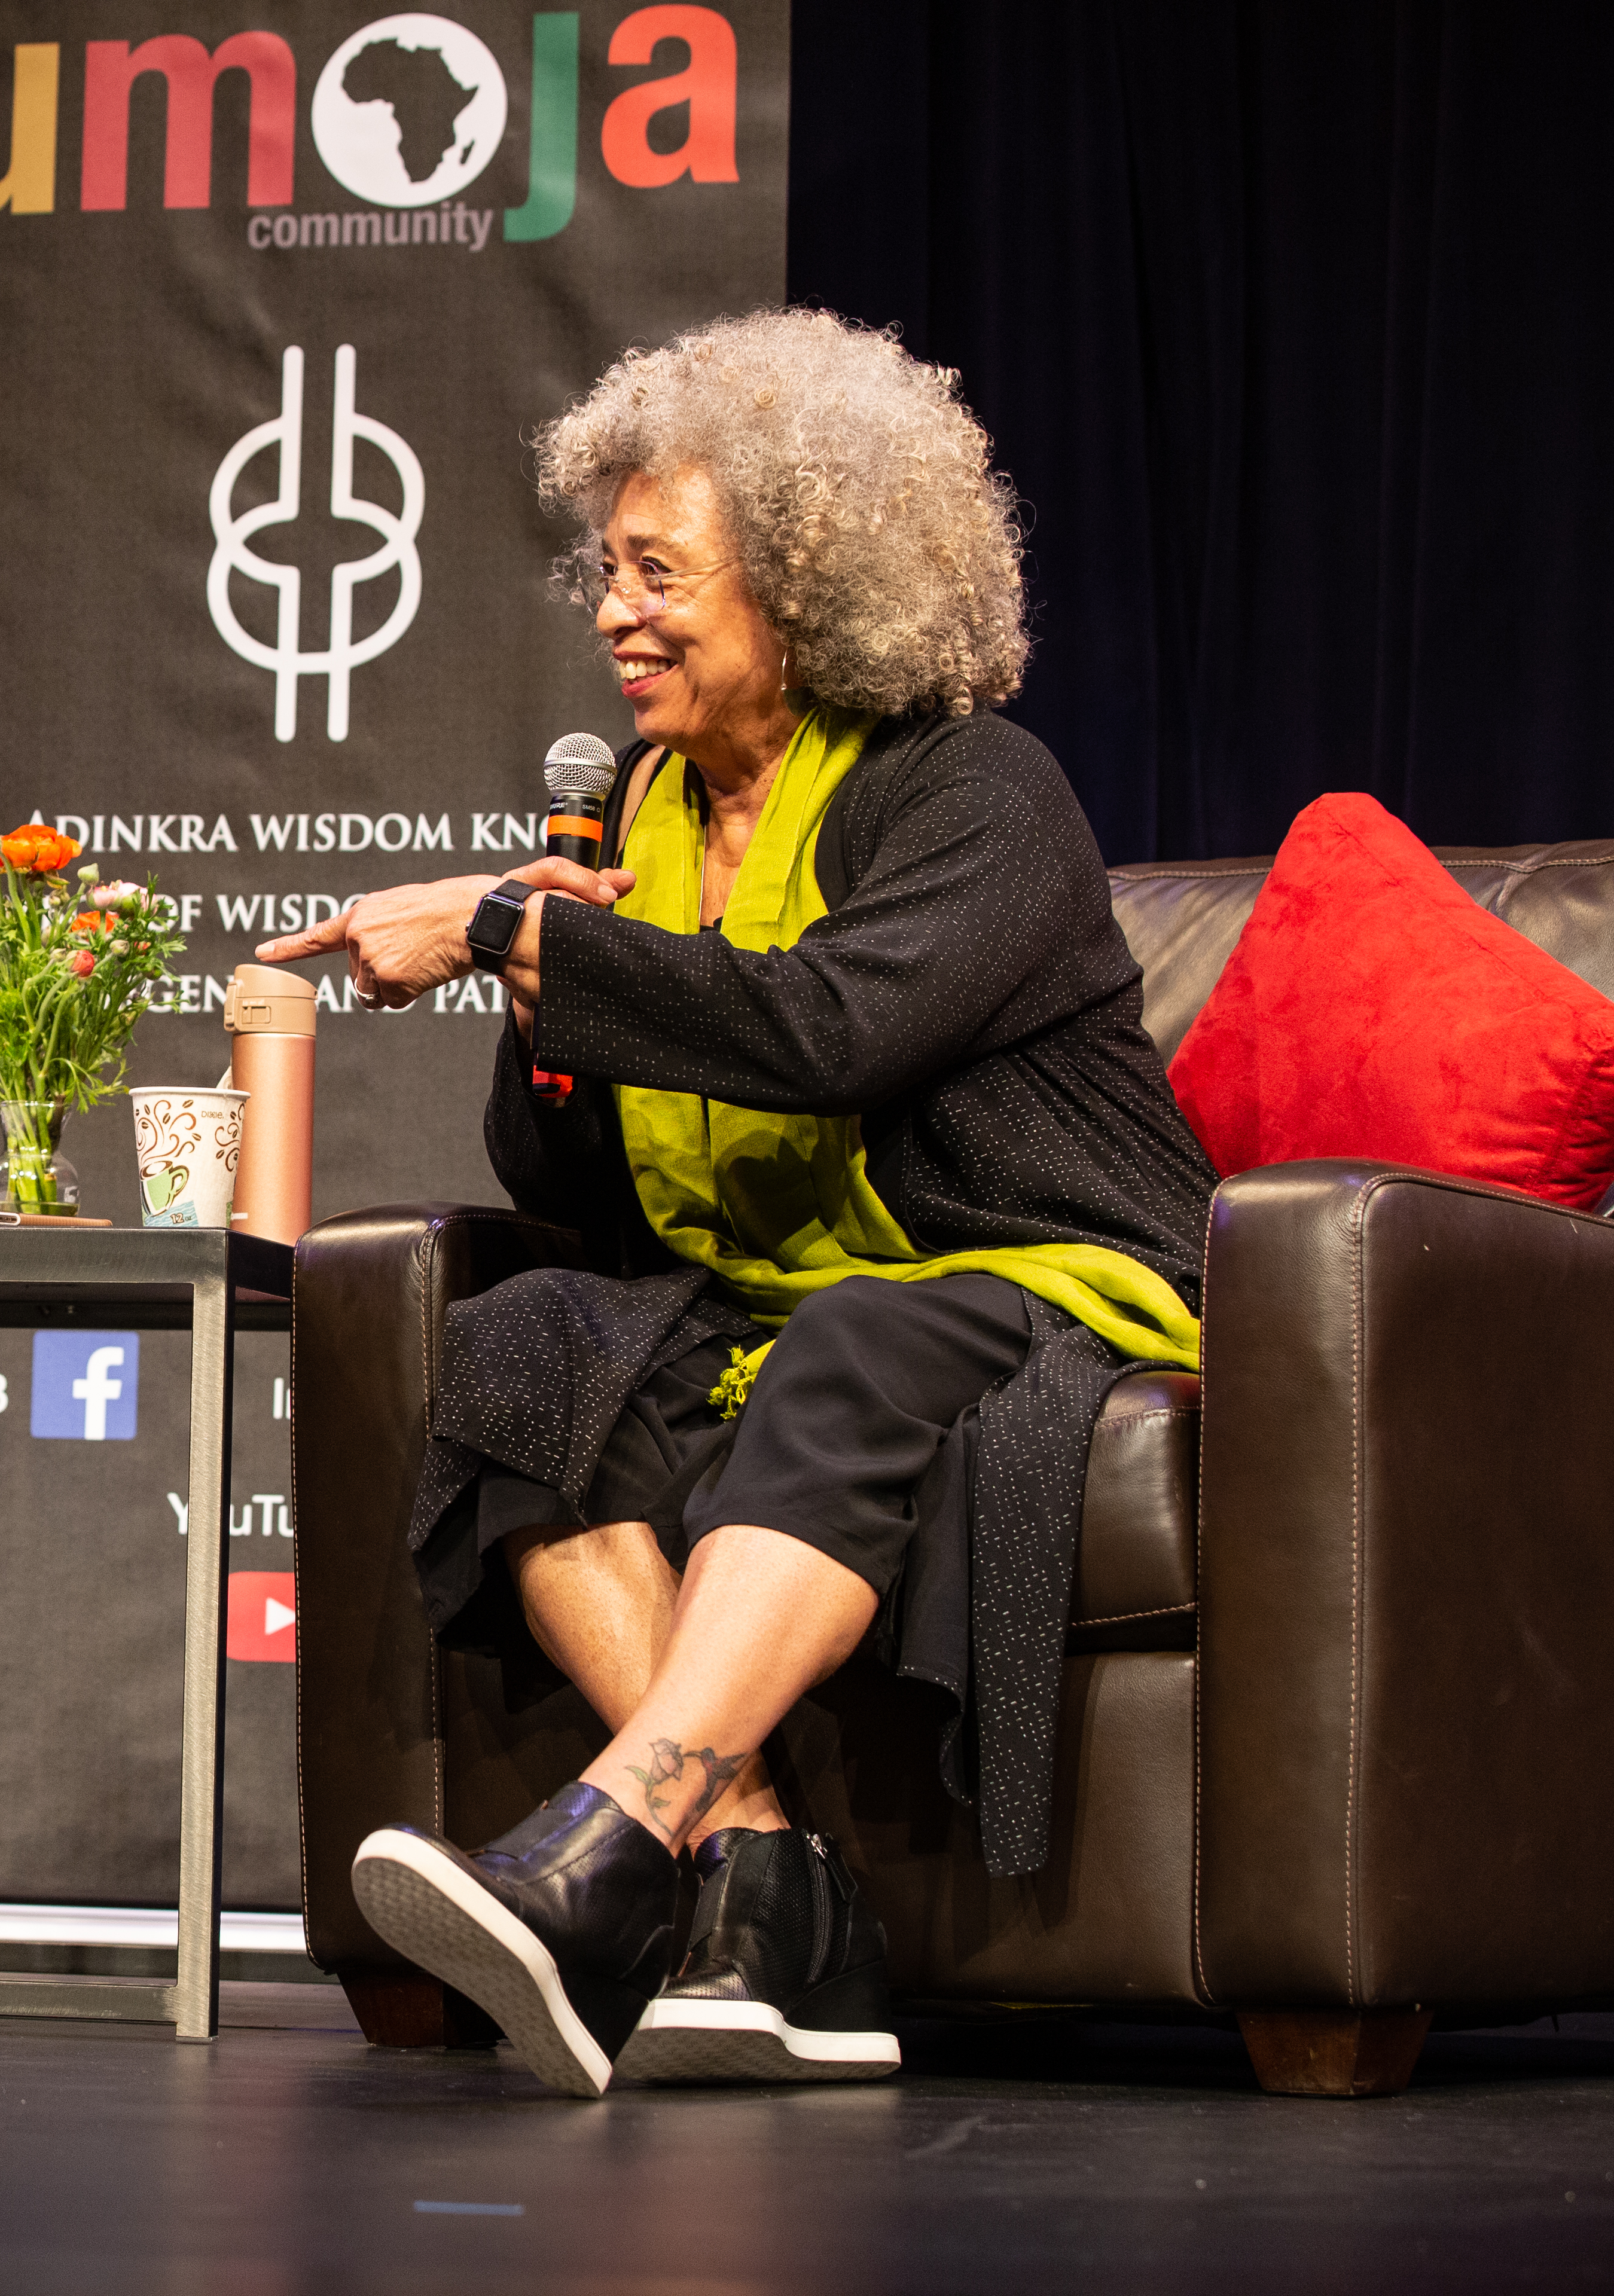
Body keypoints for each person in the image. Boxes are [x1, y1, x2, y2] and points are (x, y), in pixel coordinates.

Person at [260, 311, 1215, 2095]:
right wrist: (559, 992)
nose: (614, 613)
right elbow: (564, 1181)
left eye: (657, 572)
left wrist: (501, 931)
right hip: (775, 1289)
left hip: (1048, 1261)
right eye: (603, 570)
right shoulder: (646, 804)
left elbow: (836, 1035)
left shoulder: (974, 793)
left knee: (857, 1337)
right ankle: (765, 1887)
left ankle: (606, 1843)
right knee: (532, 1336)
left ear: (809, 579)